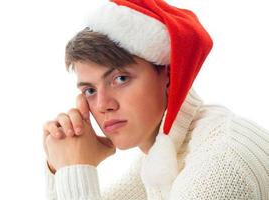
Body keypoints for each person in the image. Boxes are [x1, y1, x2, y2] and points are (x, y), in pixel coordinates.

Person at [42, 0, 269, 199]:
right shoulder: (163, 153)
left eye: (120, 78)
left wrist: (77, 166)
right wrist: (61, 167)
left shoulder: (221, 162)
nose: (102, 105)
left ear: (170, 75)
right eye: (90, 91)